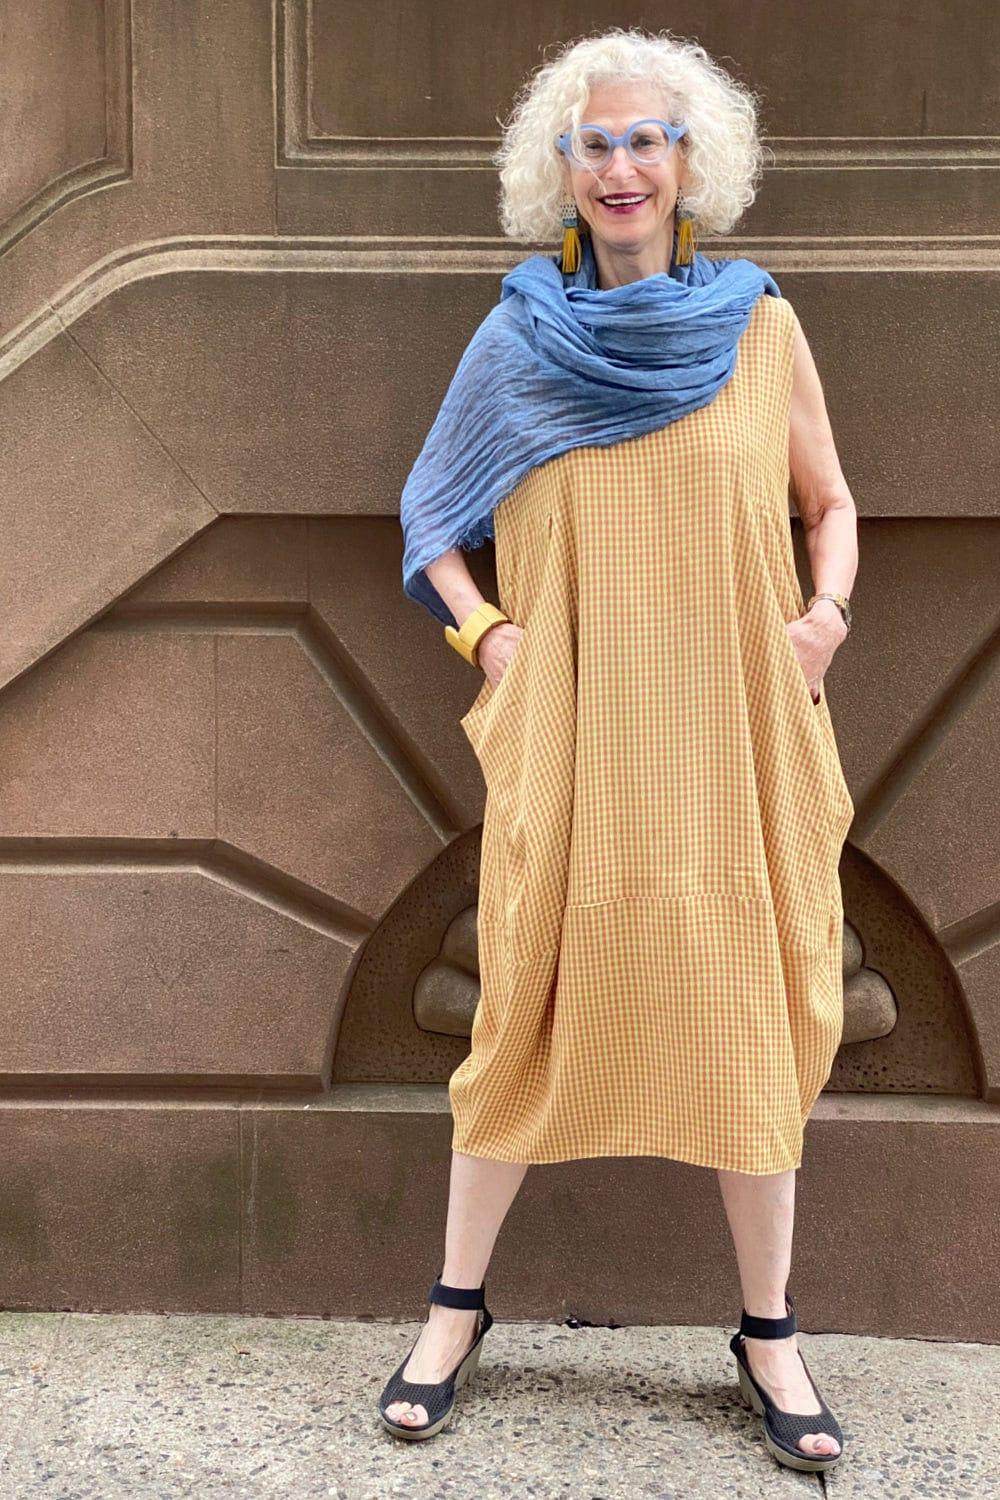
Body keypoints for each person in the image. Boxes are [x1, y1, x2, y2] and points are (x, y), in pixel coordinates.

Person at [383, 26, 857, 1473]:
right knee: (526, 991)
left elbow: (831, 500)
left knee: (748, 1012)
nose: (622, 165)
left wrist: (823, 618)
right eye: (594, 142)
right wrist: (492, 642)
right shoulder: (519, 336)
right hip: (578, 731)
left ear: (692, 158)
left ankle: (770, 1333)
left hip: (730, 726)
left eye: (647, 137)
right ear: (560, 169)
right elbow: (430, 526)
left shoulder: (762, 326)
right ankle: (453, 1310)